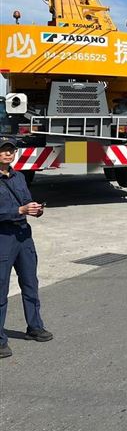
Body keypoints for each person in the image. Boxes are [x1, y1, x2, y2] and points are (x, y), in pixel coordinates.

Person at [0, 136, 52, 359]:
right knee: (1, 288)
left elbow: (26, 201)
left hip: (23, 237)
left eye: (10, 150)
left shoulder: (19, 177)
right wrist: (19, 211)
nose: (8, 154)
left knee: (30, 283)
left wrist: (35, 210)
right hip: (3, 238)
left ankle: (34, 327)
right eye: (3, 150)